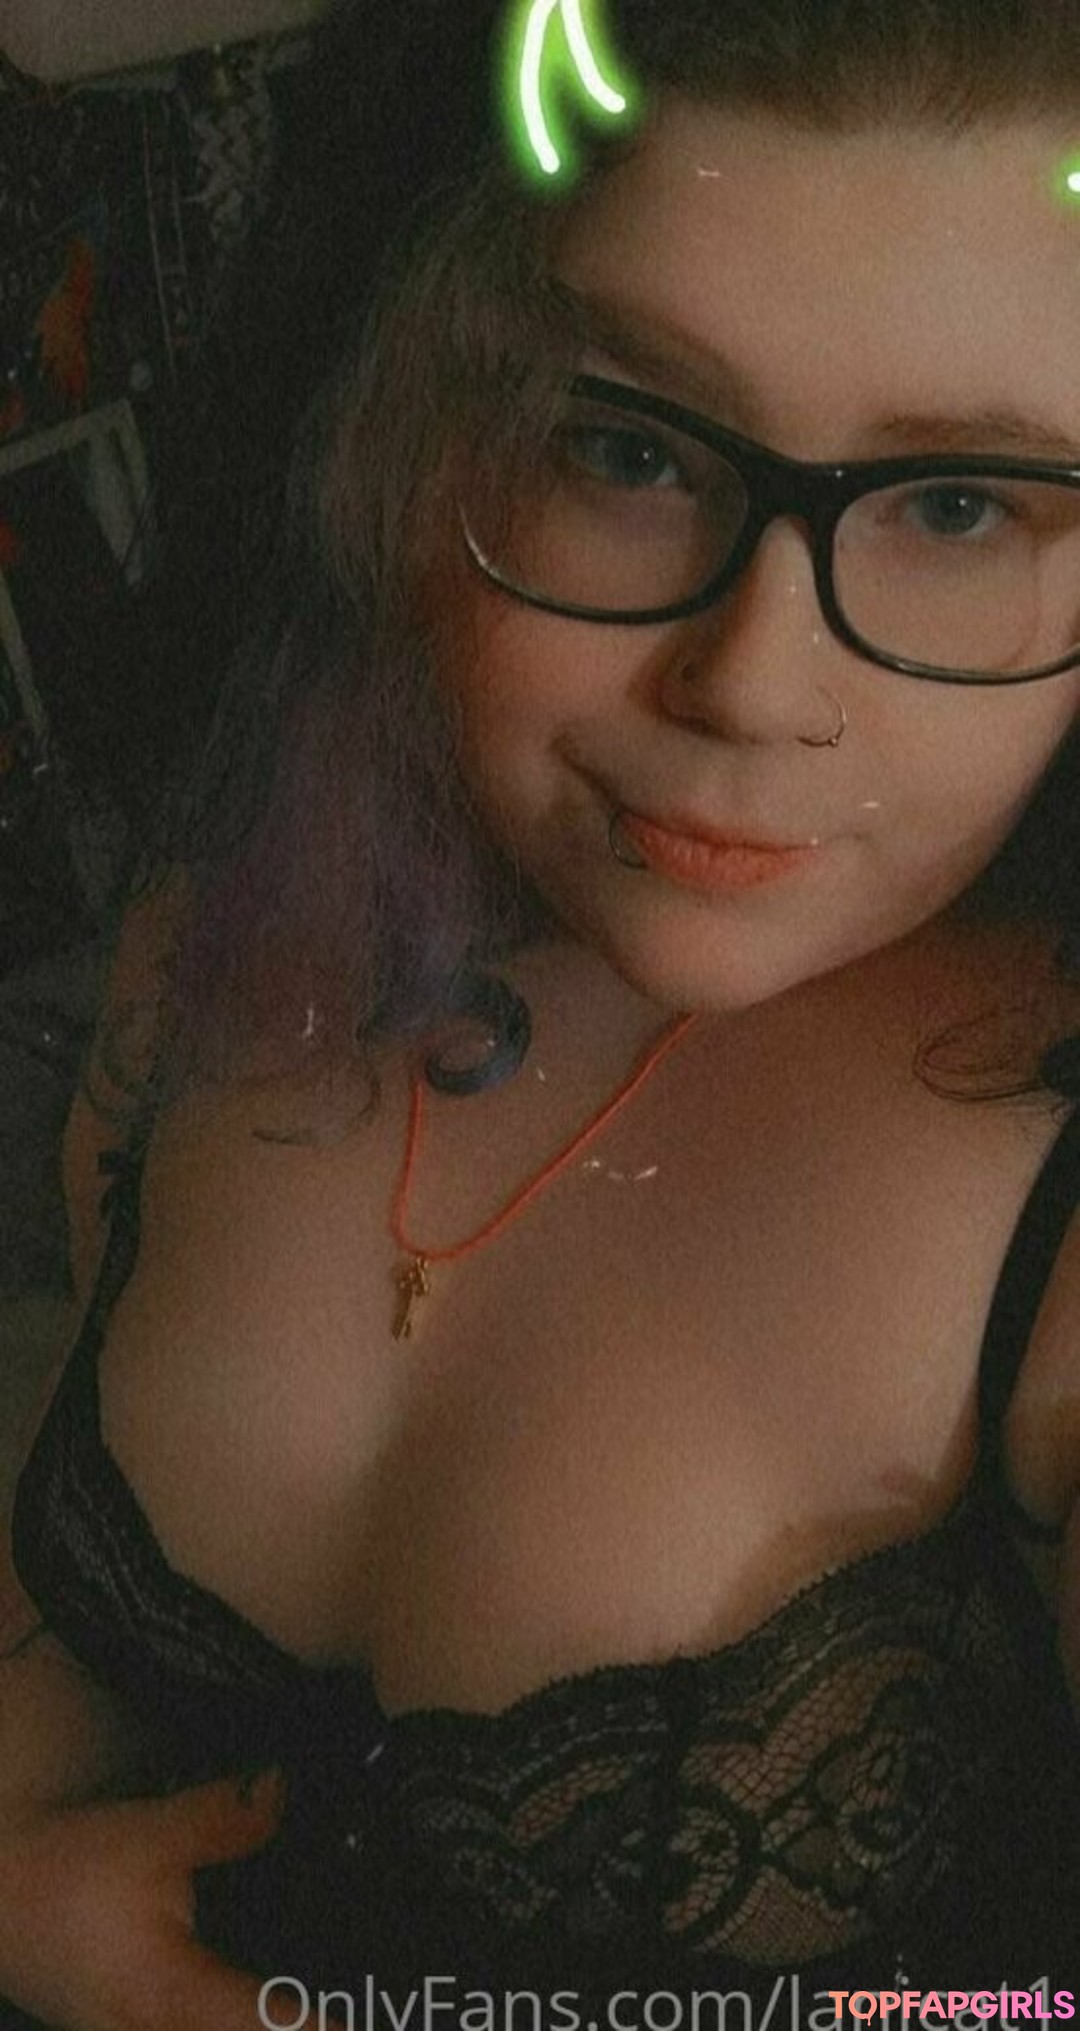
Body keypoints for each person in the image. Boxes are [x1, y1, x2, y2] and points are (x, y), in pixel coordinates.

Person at [3, 0, 1080, 2021]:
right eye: (628, 447)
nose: (754, 683)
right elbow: (74, 1639)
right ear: (392, 434)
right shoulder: (216, 955)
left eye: (959, 508)